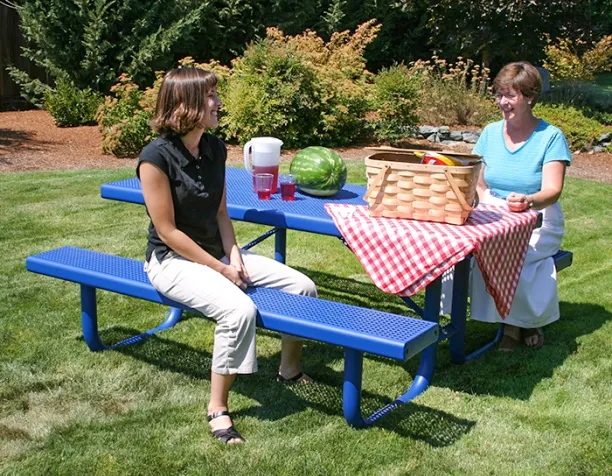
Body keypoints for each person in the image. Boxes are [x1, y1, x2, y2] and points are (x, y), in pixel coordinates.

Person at [137, 67, 317, 444]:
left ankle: (288, 369)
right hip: (171, 262)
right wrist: (220, 268)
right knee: (238, 311)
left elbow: (221, 212)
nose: (219, 103)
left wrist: (234, 255)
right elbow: (168, 232)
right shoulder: (155, 158)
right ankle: (217, 408)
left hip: (218, 253)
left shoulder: (215, 148)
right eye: (211, 97)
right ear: (186, 104)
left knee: (303, 286)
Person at [470, 61, 572, 351]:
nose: (503, 102)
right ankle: (511, 317)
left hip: (539, 216)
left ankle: (516, 325)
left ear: (529, 96)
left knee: (512, 254)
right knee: (468, 250)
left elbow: (553, 190)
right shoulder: (490, 133)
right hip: (495, 211)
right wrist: (485, 197)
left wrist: (529, 200)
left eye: (510, 95)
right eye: (500, 94)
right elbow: (477, 178)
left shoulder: (550, 137)